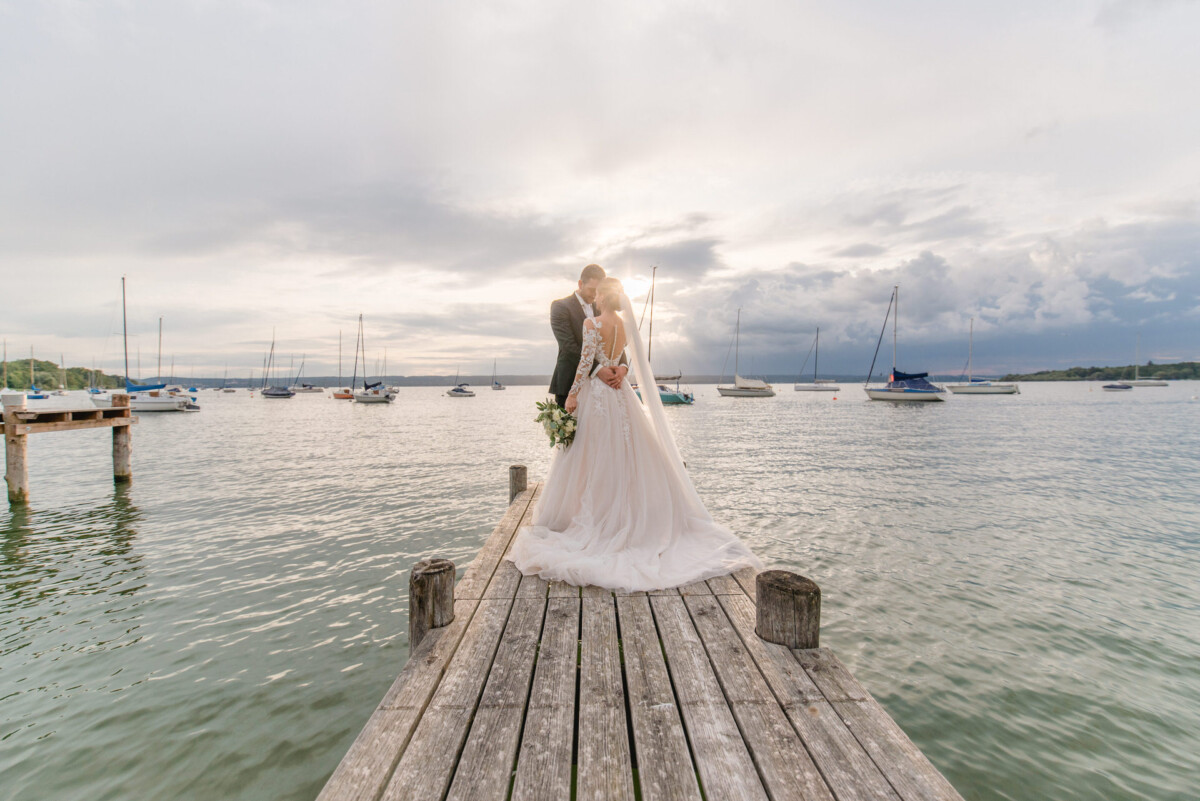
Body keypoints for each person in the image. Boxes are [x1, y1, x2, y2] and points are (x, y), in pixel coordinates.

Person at [510, 277, 762, 592]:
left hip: (599, 395)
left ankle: (598, 517)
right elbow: (618, 357)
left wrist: (573, 395)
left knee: (592, 455)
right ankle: (622, 512)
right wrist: (621, 370)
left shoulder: (591, 324)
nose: (595, 297)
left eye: (598, 294)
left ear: (601, 296)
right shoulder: (626, 327)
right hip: (621, 396)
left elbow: (585, 362)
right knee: (623, 455)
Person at [548, 264, 627, 408]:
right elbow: (568, 346)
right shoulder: (560, 307)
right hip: (570, 384)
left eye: (598, 291)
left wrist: (623, 366)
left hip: (605, 388)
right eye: (591, 290)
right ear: (580, 284)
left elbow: (615, 339)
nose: (595, 295)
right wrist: (598, 369)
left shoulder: (604, 310)